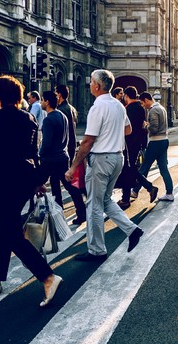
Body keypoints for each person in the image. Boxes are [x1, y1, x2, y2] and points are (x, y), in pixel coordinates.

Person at [0, 76, 62, 307]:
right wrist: (38, 181)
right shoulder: (28, 118)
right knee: (5, 226)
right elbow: (33, 151)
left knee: (11, 233)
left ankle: (47, 276)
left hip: (5, 181)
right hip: (25, 179)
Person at [65, 69, 144, 262]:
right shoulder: (118, 105)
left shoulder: (97, 107)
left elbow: (88, 141)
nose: (90, 84)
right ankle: (132, 230)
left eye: (91, 81)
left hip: (101, 159)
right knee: (105, 200)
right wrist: (111, 134)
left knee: (93, 205)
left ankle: (96, 250)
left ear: (97, 86)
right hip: (117, 157)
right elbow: (128, 129)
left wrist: (73, 167)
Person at [39, 90, 87, 223]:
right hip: (62, 156)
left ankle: (53, 214)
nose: (41, 102)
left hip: (50, 159)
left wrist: (40, 154)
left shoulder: (49, 119)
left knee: (37, 184)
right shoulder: (62, 115)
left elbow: (46, 142)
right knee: (65, 186)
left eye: (42, 100)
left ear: (47, 102)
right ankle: (80, 212)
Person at [131, 92, 174, 201]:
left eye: (142, 102)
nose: (142, 105)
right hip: (164, 140)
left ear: (146, 100)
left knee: (144, 167)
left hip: (156, 142)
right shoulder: (161, 108)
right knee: (163, 168)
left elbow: (154, 128)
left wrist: (146, 126)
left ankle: (135, 190)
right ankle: (169, 193)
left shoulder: (153, 110)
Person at [120, 86, 158, 208]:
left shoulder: (128, 109)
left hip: (128, 143)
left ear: (126, 96)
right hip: (136, 143)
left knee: (128, 168)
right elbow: (142, 127)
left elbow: (126, 128)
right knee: (129, 169)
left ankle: (147, 188)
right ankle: (127, 197)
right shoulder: (141, 108)